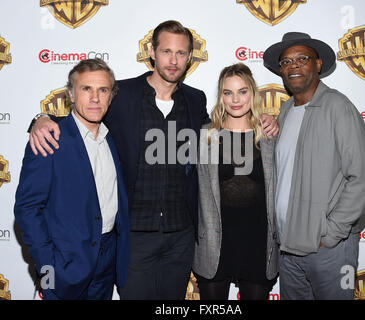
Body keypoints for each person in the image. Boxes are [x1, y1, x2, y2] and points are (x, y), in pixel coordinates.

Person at [28, 20, 278, 300]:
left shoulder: (195, 101)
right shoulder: (122, 95)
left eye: (181, 53)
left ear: (189, 57)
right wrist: (41, 119)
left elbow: (228, 130)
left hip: (181, 237)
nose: (173, 60)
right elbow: (85, 116)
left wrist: (265, 118)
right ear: (152, 51)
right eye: (166, 51)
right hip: (135, 236)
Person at [262, 32, 365, 300]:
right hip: (288, 249)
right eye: (286, 62)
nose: (294, 66)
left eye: (303, 58)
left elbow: (361, 178)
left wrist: (331, 233)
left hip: (328, 250)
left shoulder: (338, 107)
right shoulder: (286, 110)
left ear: (317, 64)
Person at [14, 58, 129, 300]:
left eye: (103, 90)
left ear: (111, 96)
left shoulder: (112, 138)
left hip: (106, 264)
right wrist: (48, 271)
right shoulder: (50, 139)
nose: (95, 98)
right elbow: (27, 209)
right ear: (71, 95)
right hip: (62, 266)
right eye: (86, 89)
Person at [193, 63, 278, 300]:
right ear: (221, 97)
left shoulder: (271, 137)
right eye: (228, 92)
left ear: (253, 93)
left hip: (258, 246)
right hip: (214, 245)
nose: (235, 99)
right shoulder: (204, 137)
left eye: (242, 91)